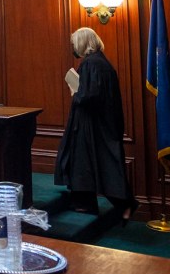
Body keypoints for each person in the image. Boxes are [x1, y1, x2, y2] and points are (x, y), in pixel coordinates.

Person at [55, 27, 138, 225]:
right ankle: (87, 204)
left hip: (91, 125)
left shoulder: (90, 63)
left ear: (82, 43)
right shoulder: (102, 62)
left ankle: (118, 204)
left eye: (75, 43)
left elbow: (89, 96)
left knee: (89, 162)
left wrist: (75, 90)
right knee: (91, 163)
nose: (73, 47)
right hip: (102, 123)